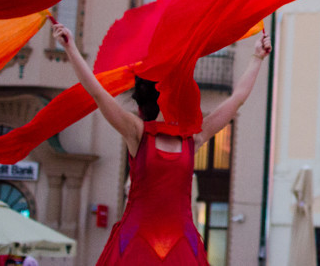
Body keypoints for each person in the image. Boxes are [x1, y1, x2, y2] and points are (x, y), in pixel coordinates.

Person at [52, 21, 271, 265]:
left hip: (179, 246)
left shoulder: (193, 137)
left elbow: (237, 99)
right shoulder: (138, 132)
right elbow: (98, 94)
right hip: (136, 245)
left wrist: (256, 58)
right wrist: (71, 49)